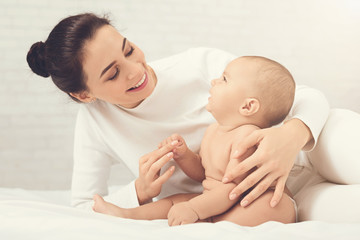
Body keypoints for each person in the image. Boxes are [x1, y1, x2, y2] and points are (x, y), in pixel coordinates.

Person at [26, 13, 329, 216]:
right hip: (242, 205)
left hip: (300, 165)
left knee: (344, 131)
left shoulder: (197, 64)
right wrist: (140, 192)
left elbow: (306, 96)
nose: (136, 71)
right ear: (84, 95)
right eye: (113, 73)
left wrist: (290, 137)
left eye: (128, 50)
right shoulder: (95, 124)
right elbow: (82, 207)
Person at [92, 56, 297, 226]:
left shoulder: (247, 138)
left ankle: (213, 225)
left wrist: (195, 209)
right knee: (174, 200)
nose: (214, 81)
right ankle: (127, 215)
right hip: (217, 199)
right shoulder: (213, 130)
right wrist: (184, 156)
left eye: (224, 79)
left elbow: (233, 190)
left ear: (247, 106)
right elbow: (203, 174)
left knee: (269, 207)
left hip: (249, 200)